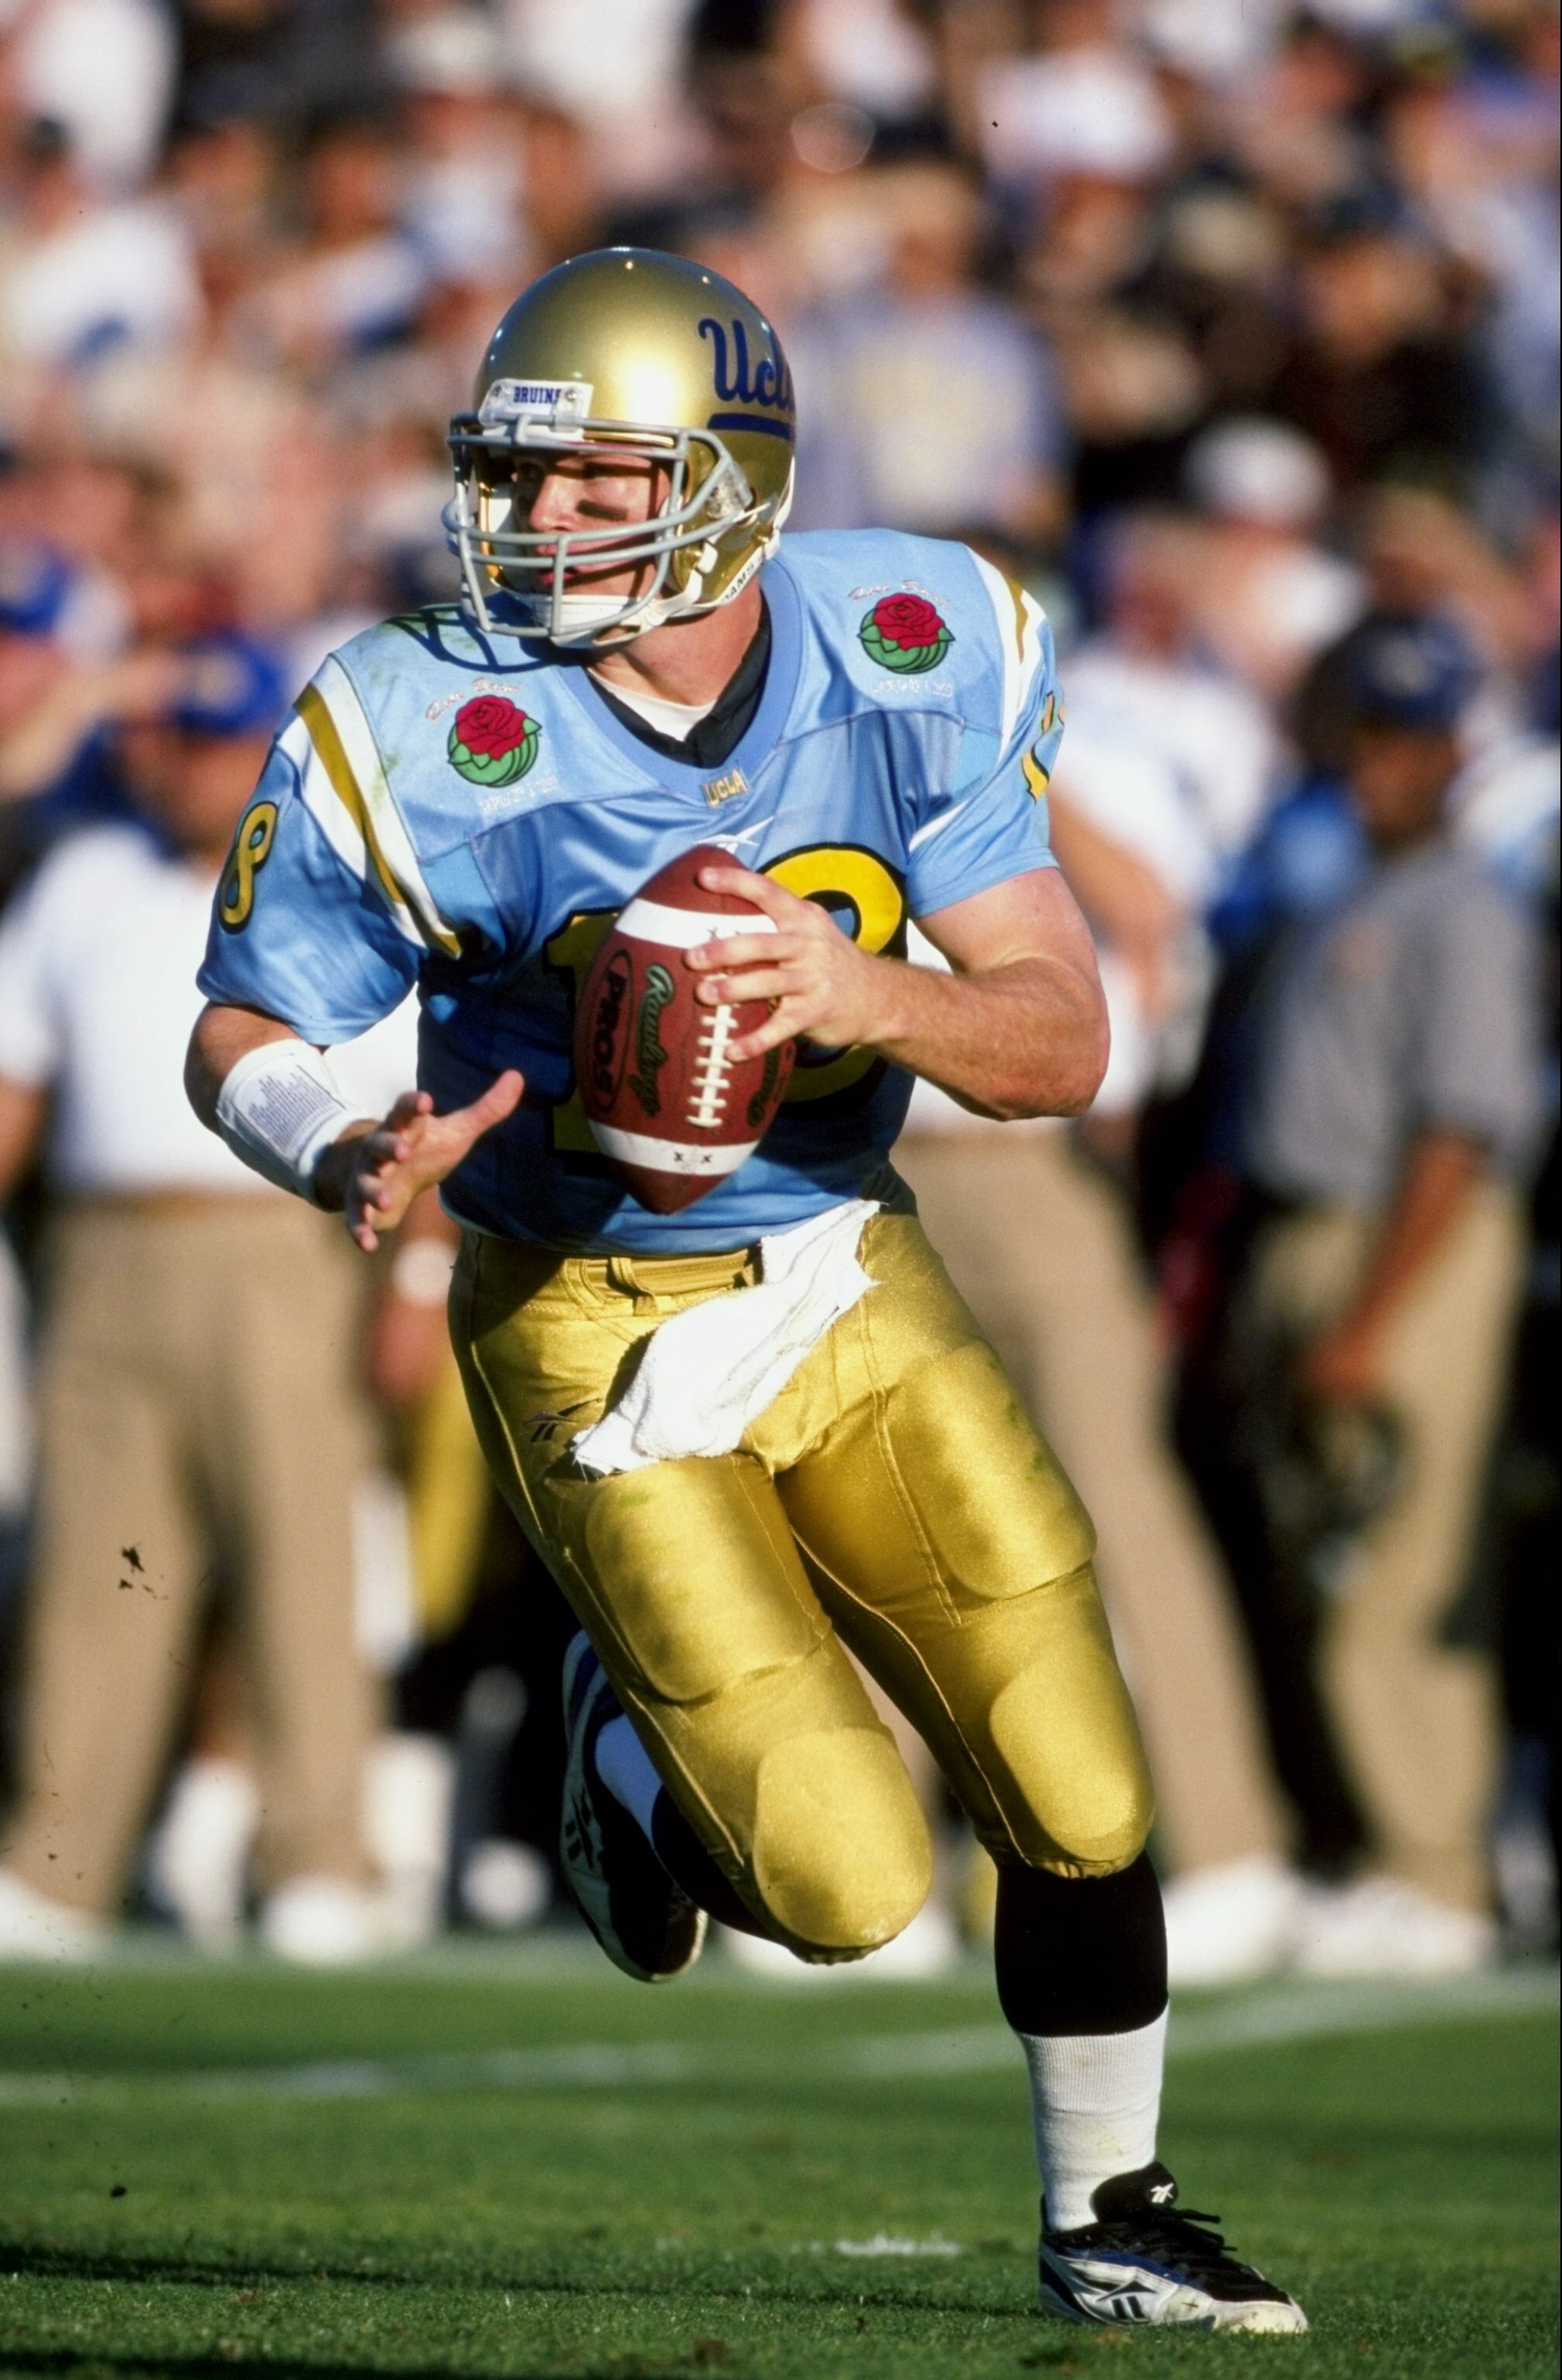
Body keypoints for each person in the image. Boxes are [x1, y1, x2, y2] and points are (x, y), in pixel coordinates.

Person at [185, 247, 1306, 2334]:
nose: (542, 523)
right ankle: (619, 1746)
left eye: (601, 482)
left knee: (1071, 1761)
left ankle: (1111, 2211)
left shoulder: (909, 640)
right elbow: (235, 1032)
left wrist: (871, 992)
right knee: (837, 1881)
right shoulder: (423, 716)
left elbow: (1066, 1039)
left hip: (843, 1261)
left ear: (731, 479)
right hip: (584, 1308)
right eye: (524, 480)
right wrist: (340, 1146)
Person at [0, 635, 387, 1966]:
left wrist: (421, 1274)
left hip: (280, 1242)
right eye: (169, 740)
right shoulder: (89, 879)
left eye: (213, 741)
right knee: (93, 1564)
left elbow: (413, 1100)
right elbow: (16, 1077)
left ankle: (320, 1859)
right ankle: (57, 1864)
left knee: (298, 1552)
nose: (180, 765)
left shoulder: (336, 886)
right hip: (102, 1244)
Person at [1239, 611, 1543, 1976]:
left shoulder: (1466, 908)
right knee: (1329, 1557)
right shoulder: (1351, 891)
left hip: (1412, 1242)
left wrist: (1369, 1317)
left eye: (1408, 739)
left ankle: (1438, 1871)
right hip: (1320, 1233)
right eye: (1365, 733)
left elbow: (1459, 1130)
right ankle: (1381, 1852)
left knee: (1403, 1556)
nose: (1380, 762)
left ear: (1452, 753)